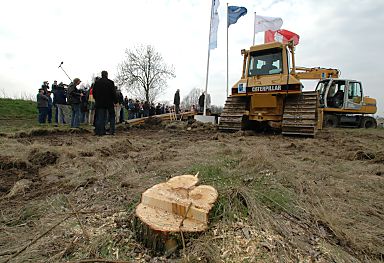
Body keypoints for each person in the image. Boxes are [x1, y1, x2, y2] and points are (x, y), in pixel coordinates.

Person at [93, 70, 117, 136]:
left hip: (100, 102)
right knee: (112, 116)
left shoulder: (97, 83)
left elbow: (94, 93)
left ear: (101, 75)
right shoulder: (111, 82)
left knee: (100, 117)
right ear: (107, 75)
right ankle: (112, 131)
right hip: (109, 102)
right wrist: (115, 101)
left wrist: (97, 99)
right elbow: (113, 93)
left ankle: (100, 131)